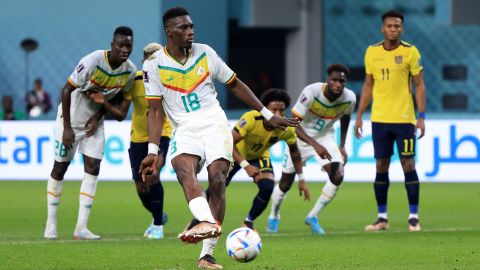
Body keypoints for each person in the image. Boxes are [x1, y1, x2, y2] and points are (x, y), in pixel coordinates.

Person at [140, 7, 297, 269]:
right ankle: (208, 223)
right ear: (169, 32)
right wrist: (153, 150)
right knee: (182, 171)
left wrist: (268, 114)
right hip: (184, 128)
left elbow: (235, 84)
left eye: (191, 26)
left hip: (214, 123)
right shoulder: (152, 65)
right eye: (183, 28)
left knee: (217, 179)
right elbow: (155, 110)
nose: (190, 31)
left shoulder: (206, 53)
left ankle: (206, 255)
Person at [43, 26, 137, 240]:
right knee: (60, 168)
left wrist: (98, 116)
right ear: (112, 45)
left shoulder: (130, 72)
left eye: (128, 46)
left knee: (93, 167)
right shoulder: (93, 61)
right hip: (70, 120)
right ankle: (51, 224)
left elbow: (118, 108)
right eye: (120, 45)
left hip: (94, 124)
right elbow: (66, 90)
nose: (125, 49)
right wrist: (67, 127)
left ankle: (81, 228)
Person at [354, 10, 426, 232]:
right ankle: (382, 218)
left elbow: (419, 85)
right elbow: (368, 85)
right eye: (389, 26)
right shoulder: (372, 52)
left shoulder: (410, 52)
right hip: (380, 120)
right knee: (381, 166)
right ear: (382, 28)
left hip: (404, 120)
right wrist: (359, 115)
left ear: (401, 28)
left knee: (408, 164)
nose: (393, 29)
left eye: (397, 26)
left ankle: (413, 217)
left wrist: (421, 117)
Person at [267, 64, 356, 235]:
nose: (338, 84)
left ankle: (313, 216)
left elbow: (346, 118)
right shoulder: (311, 92)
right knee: (285, 183)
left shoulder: (349, 98)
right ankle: (274, 214)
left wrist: (342, 145)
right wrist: (315, 145)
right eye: (335, 80)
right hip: (300, 138)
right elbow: (293, 123)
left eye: (342, 81)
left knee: (338, 175)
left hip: (325, 138)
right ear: (327, 80)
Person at [217, 88, 306, 230]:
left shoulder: (286, 128)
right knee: (217, 187)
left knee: (267, 187)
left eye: (282, 110)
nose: (278, 114)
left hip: (258, 156)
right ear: (264, 110)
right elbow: (229, 142)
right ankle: (197, 221)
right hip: (234, 154)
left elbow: (295, 152)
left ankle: (248, 222)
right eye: (273, 110)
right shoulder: (251, 118)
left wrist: (301, 178)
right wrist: (246, 165)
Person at [125, 43, 172, 239]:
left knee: (153, 175)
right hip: (138, 137)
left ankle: (158, 226)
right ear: (144, 61)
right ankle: (157, 215)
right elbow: (122, 105)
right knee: (141, 187)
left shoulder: (170, 79)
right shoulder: (134, 80)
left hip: (162, 132)